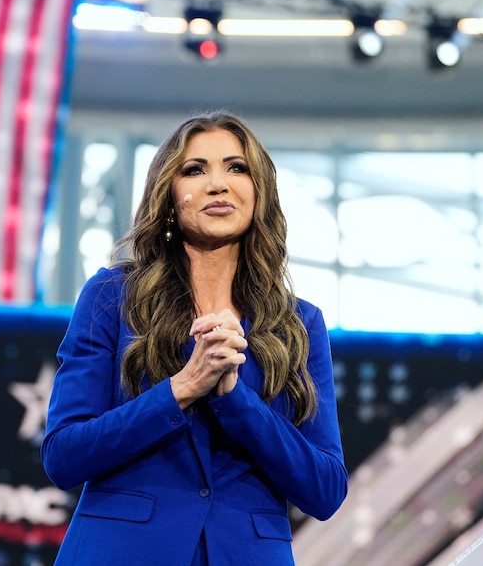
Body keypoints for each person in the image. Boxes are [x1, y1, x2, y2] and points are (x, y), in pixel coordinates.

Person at [42, 111, 348, 565]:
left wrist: (235, 399)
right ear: (168, 196)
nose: (218, 184)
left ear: (258, 191)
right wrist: (183, 387)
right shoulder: (112, 297)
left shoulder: (299, 324)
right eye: (194, 169)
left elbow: (324, 490)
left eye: (236, 167)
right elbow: (64, 455)